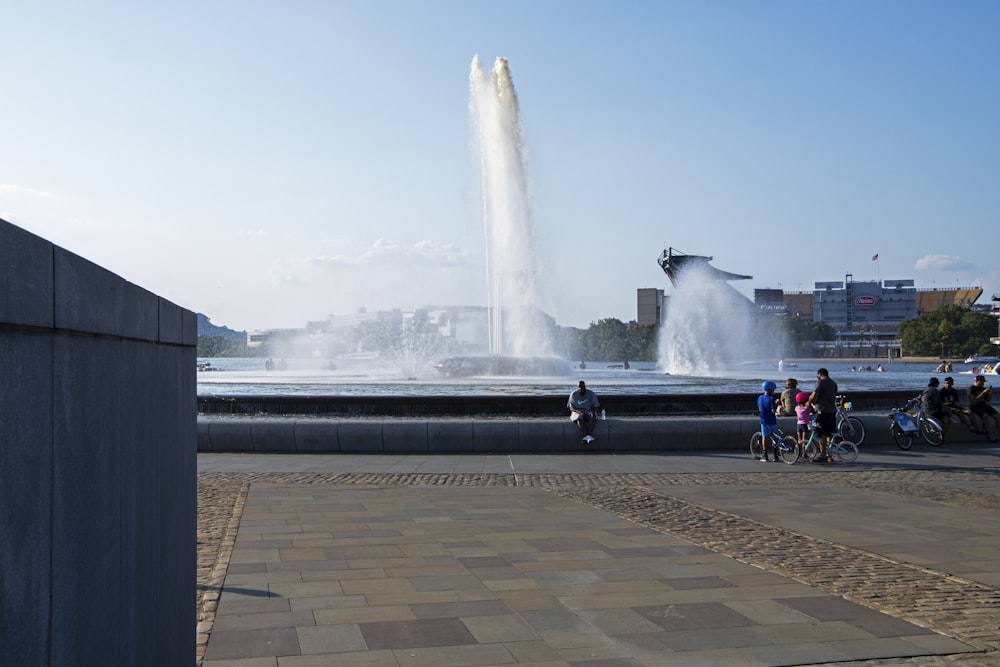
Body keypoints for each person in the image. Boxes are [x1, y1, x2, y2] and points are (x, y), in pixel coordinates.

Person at [808, 368, 838, 462]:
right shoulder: (833, 383)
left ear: (820, 374)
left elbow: (814, 395)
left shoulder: (820, 382)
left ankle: (823, 455)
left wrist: (809, 402)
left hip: (822, 410)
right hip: (832, 410)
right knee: (829, 434)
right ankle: (830, 454)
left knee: (822, 434)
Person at [757, 381, 780, 462]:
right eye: (773, 390)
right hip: (772, 420)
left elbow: (760, 409)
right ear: (770, 390)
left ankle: (765, 455)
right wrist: (777, 404)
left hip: (763, 420)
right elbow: (773, 411)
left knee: (764, 437)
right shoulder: (772, 399)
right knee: (774, 437)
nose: (774, 391)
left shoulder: (760, 398)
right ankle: (775, 455)